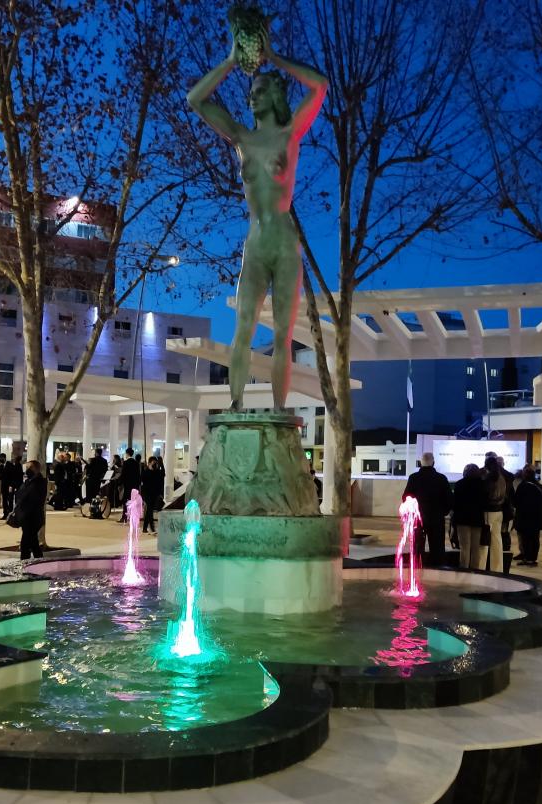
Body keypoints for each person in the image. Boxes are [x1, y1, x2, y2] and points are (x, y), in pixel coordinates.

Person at [187, 22, 327, 411]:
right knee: (243, 327)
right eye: (251, 92)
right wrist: (233, 61)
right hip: (256, 241)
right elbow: (196, 99)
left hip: (283, 242)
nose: (252, 97)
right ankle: (235, 405)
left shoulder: (288, 134)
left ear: (276, 94)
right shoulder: (241, 139)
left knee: (282, 334)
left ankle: (280, 412)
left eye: (260, 90)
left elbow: (319, 86)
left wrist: (275, 57)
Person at [402, 453, 451, 566]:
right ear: (433, 463)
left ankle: (418, 571)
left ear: (420, 463)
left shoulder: (414, 478)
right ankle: (437, 570)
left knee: (417, 547)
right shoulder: (441, 478)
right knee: (437, 548)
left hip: (418, 519)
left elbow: (406, 497)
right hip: (436, 519)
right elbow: (448, 499)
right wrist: (443, 512)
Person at [513, 467, 542, 566]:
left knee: (525, 538)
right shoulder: (539, 486)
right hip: (536, 516)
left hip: (524, 516)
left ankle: (526, 558)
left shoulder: (522, 486)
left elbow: (515, 502)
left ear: (525, 475)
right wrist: (538, 503)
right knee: (535, 538)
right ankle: (533, 559)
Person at [451, 464, 487, 570]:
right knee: (476, 548)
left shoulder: (459, 484)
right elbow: (484, 502)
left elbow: (455, 503)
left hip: (462, 520)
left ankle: (464, 569)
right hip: (477, 520)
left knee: (464, 548)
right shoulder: (482, 485)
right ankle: (475, 570)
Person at [481, 453, 509, 573]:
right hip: (499, 512)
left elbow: (484, 495)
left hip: (489, 512)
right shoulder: (501, 478)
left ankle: (481, 567)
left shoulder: (488, 479)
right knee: (497, 541)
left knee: (484, 541)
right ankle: (497, 569)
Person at [15, 460, 47, 560]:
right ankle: (39, 561)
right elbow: (20, 495)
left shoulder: (39, 482)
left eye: (30, 468)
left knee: (25, 544)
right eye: (27, 467)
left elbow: (33, 499)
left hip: (33, 518)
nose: (27, 470)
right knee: (33, 543)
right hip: (25, 517)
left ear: (36, 469)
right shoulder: (28, 481)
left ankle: (23, 564)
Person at [140, 456, 165, 534]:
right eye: (153, 462)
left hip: (154, 493)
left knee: (149, 510)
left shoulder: (157, 471)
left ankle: (147, 528)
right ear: (149, 463)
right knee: (150, 509)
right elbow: (142, 479)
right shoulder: (146, 471)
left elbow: (163, 474)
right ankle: (151, 528)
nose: (155, 464)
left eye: (155, 463)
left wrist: (161, 464)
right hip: (146, 493)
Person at [120, 448, 141, 522]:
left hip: (127, 485)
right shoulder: (136, 463)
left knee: (126, 500)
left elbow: (123, 474)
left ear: (127, 453)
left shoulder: (126, 463)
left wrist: (120, 483)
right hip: (135, 485)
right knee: (133, 500)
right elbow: (138, 474)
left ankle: (125, 516)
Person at [0, 454, 23, 520]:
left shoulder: (11, 465)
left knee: (10, 500)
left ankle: (10, 514)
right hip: (4, 486)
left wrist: (12, 485)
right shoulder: (1, 466)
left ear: (4, 458)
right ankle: (5, 514)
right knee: (4, 500)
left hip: (10, 486)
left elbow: (14, 476)